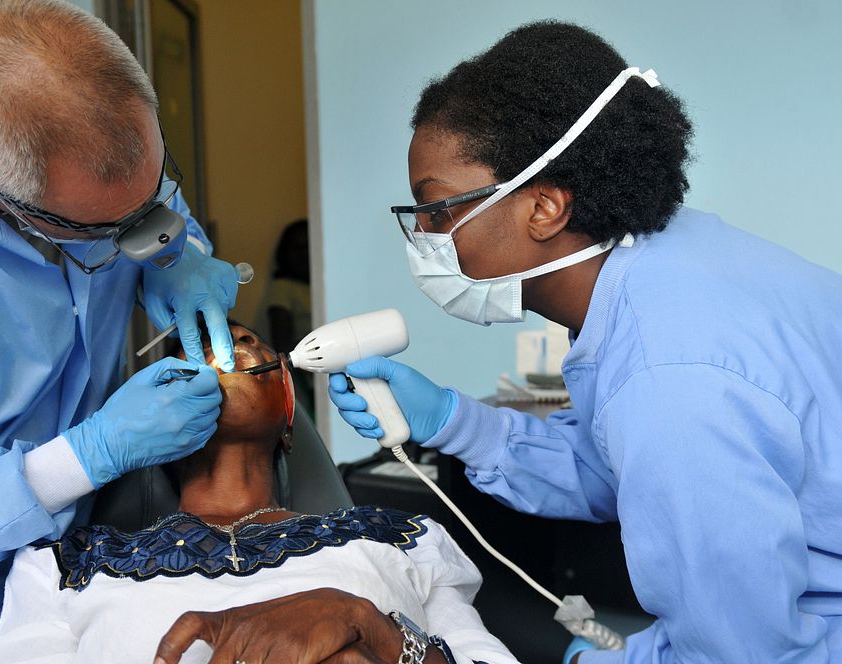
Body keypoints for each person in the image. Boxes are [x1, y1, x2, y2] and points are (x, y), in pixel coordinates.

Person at [158, 20, 842, 664]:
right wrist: (456, 422)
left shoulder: (671, 372)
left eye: (437, 208)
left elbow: (740, 649)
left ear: (544, 206)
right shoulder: (673, 267)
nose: (424, 236)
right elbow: (626, 468)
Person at [0, 1, 241, 661]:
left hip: (87, 561)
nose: (136, 227)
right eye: (104, 229)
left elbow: (137, 200)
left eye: (147, 204)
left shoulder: (98, 161)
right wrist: (83, 458)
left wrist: (178, 253)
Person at [0, 321, 516, 664]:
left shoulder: (405, 539)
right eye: (195, 349)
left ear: (289, 420)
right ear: (147, 424)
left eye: (249, 338)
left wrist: (372, 629)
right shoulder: (63, 568)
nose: (235, 343)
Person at [264, 219, 314, 412]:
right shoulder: (283, 287)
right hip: (304, 374)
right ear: (285, 253)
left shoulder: (323, 284)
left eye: (308, 246)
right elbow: (281, 339)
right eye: (297, 248)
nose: (304, 254)